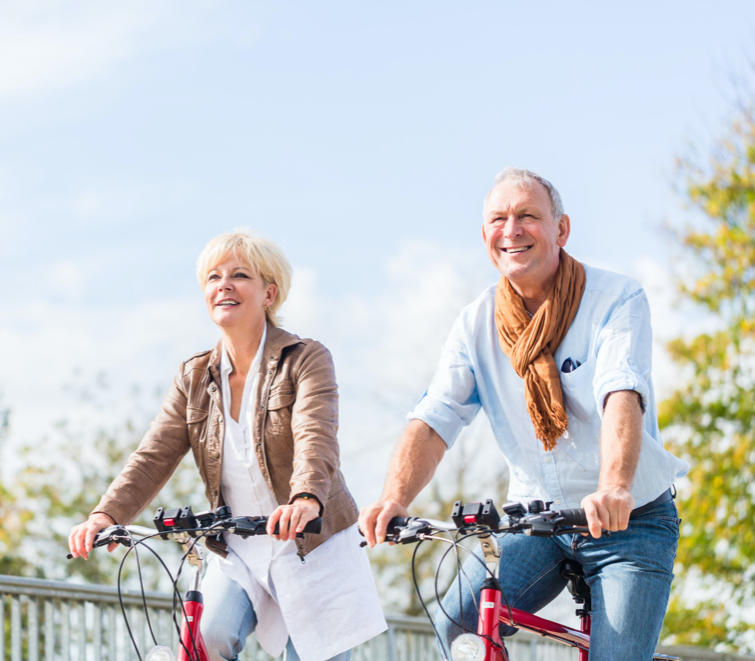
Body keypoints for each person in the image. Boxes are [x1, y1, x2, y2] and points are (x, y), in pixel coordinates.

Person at [359, 167, 689, 660]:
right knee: (459, 624)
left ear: (561, 229)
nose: (511, 230)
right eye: (498, 218)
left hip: (629, 522)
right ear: (485, 235)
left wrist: (615, 485)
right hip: (537, 521)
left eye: (527, 216)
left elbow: (620, 390)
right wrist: (394, 498)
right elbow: (436, 416)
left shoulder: (615, 299)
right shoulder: (475, 323)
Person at [69, 229, 386, 661]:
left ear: (269, 293)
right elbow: (154, 453)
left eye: (240, 275)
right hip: (239, 546)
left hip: (312, 542)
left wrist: (307, 497)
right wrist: (106, 514)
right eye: (214, 277)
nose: (224, 285)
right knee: (207, 638)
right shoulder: (194, 376)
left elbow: (316, 433)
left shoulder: (305, 358)